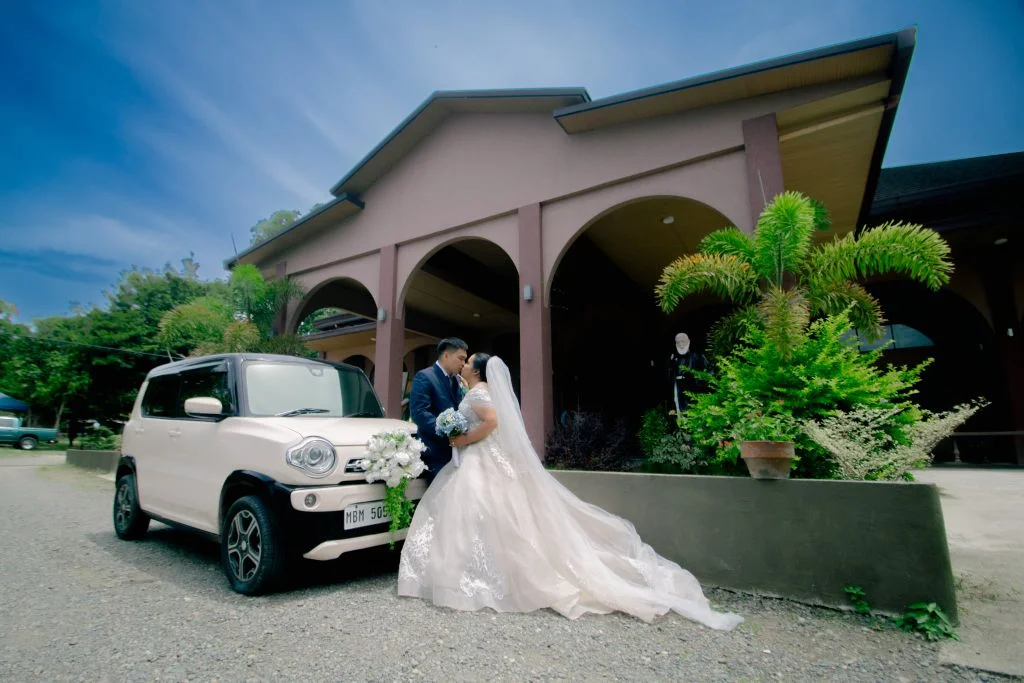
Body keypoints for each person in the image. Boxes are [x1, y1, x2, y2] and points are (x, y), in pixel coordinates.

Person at [397, 353, 742, 629]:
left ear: (479, 371)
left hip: (481, 458)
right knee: (477, 516)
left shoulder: (480, 393)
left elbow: (491, 423)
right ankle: (469, 574)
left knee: (482, 512)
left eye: (469, 362)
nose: (465, 364)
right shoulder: (471, 392)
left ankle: (479, 579)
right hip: (476, 460)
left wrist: (462, 438)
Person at [408, 338, 468, 484]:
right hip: (435, 452)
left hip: (456, 452)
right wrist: (447, 431)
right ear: (446, 355)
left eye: (465, 360)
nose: (463, 364)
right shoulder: (425, 376)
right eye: (460, 358)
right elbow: (419, 412)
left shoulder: (457, 381)